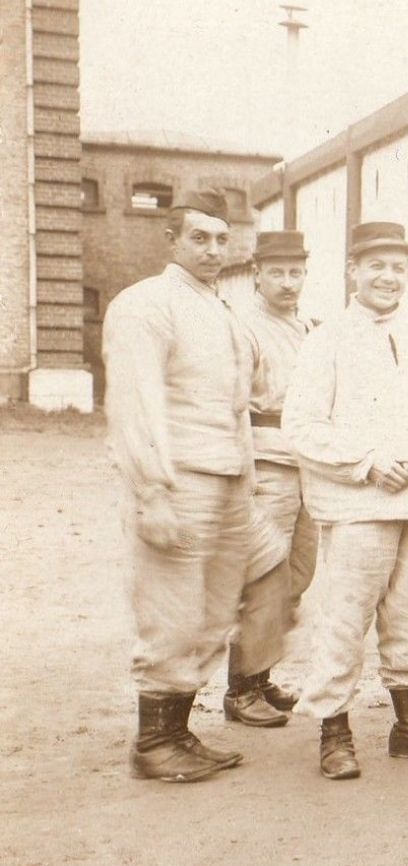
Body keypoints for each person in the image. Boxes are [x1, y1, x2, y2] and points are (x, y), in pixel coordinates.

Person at [283, 221, 408, 779]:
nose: (388, 277)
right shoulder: (327, 338)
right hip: (357, 508)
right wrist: (368, 461)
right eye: (376, 265)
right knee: (346, 619)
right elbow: (301, 426)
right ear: (352, 271)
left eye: (397, 267)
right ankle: (334, 731)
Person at [102, 189, 255, 783]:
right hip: (176, 482)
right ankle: (153, 742)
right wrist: (152, 493)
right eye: (199, 237)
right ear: (171, 240)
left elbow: (237, 404)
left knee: (209, 616)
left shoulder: (220, 309)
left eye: (222, 238)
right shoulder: (146, 304)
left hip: (224, 481)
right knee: (169, 614)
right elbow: (135, 405)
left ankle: (178, 732)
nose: (214, 250)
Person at [222, 229, 318, 728]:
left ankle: (261, 677)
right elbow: (234, 407)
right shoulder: (244, 327)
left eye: (295, 272)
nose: (287, 282)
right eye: (276, 272)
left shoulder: (304, 326)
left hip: (305, 463)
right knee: (262, 575)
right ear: (256, 273)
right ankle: (240, 690)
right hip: (267, 462)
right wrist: (243, 473)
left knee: (297, 575)